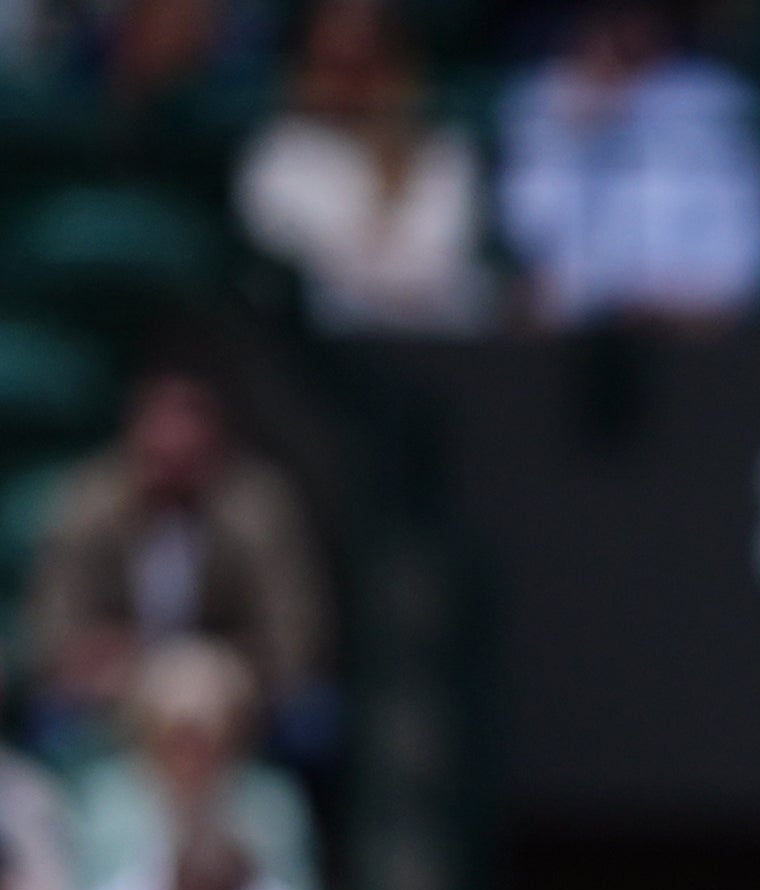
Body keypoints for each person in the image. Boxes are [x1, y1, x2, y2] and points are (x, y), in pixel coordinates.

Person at [21, 376, 330, 746]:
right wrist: (92, 661)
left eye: (186, 459)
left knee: (312, 723)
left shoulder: (259, 511)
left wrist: (222, 672)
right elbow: (52, 621)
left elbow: (294, 630)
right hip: (113, 687)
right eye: (160, 457)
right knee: (52, 721)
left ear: (215, 450)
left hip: (234, 685)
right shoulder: (87, 503)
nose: (171, 470)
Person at [497, 0, 760, 326]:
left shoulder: (715, 97)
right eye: (613, 16)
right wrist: (582, 130)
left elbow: (750, 254)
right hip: (583, 331)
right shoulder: (540, 99)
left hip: (697, 331)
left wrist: (675, 302)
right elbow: (532, 239)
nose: (629, 26)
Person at [241, 0, 494, 334]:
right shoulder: (280, 152)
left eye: (368, 63)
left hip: (448, 346)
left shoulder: (442, 152)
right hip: (321, 352)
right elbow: (320, 264)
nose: (351, 84)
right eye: (336, 65)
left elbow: (443, 262)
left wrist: (393, 159)